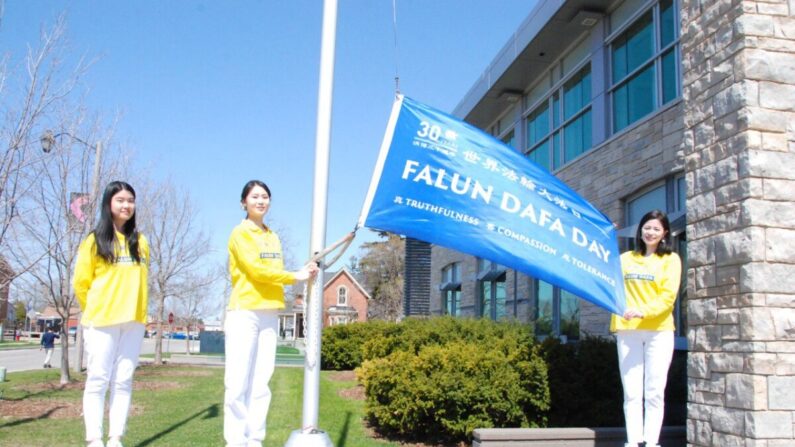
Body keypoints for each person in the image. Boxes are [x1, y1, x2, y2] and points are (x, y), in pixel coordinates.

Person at [224, 180, 318, 447]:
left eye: (265, 196)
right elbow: (256, 271)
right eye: (255, 197)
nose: (260, 201)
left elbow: (274, 271)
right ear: (244, 202)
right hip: (245, 311)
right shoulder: (240, 233)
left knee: (261, 383)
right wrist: (294, 276)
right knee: (237, 383)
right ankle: (236, 441)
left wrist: (303, 271)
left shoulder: (272, 235)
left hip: (269, 313)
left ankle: (255, 440)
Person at [73, 181, 149, 447]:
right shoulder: (94, 241)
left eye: (130, 200)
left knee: (123, 380)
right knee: (98, 379)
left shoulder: (140, 242)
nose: (126, 205)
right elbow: (81, 283)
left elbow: (142, 283)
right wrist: (95, 308)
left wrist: (141, 315)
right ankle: (94, 439)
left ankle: (116, 438)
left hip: (133, 322)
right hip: (102, 320)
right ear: (109, 204)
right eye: (120, 200)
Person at [611, 209, 682, 447]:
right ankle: (633, 442)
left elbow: (668, 297)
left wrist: (644, 311)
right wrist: (606, 236)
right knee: (631, 393)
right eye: (647, 227)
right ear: (640, 230)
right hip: (628, 329)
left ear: (664, 234)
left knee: (654, 392)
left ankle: (651, 443)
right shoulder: (625, 259)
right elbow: (603, 268)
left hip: (658, 330)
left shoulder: (671, 260)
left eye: (656, 229)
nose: (650, 232)